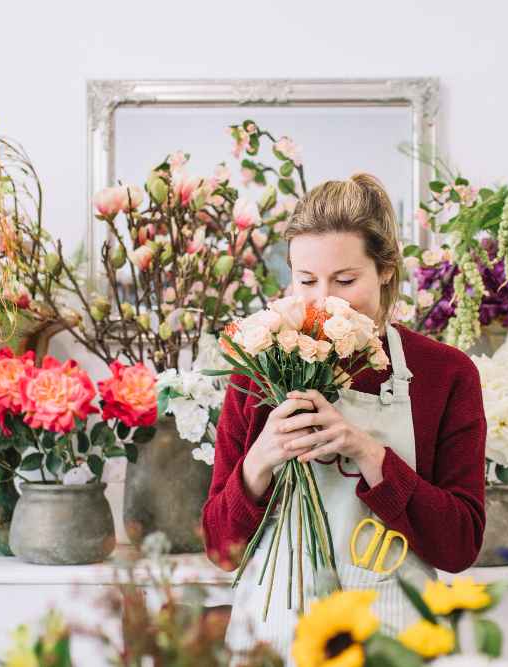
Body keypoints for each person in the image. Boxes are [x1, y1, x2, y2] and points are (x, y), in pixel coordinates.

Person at [201, 173, 487, 663]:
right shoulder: (258, 369)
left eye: (346, 280)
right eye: (306, 280)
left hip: (394, 643)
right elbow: (218, 543)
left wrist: (371, 455)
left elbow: (459, 545)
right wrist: (260, 461)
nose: (324, 300)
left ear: (386, 272)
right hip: (273, 642)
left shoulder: (445, 374)